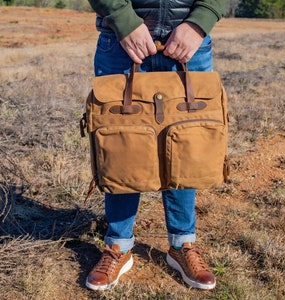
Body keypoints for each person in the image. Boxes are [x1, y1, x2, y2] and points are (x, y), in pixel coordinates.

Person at [86, 0, 228, 291]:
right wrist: (122, 18)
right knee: (122, 147)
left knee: (188, 144)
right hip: (121, 41)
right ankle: (118, 246)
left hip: (190, 42)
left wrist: (199, 22)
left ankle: (182, 245)